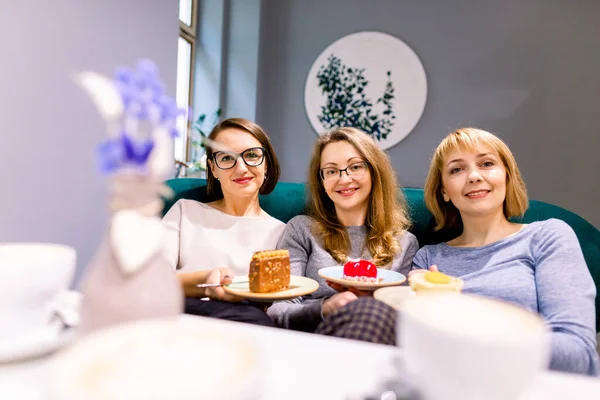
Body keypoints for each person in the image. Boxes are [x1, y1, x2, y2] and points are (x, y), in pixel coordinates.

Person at [410, 127, 598, 375]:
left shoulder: (547, 237)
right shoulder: (428, 259)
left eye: (486, 163)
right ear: (444, 190)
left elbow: (577, 353)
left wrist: (462, 329)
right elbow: (413, 345)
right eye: (457, 169)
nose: (474, 176)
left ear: (507, 176)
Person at [268, 127, 419, 333]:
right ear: (322, 182)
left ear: (374, 171)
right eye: (331, 171)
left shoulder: (404, 243)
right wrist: (325, 308)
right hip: (314, 339)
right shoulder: (301, 230)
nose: (344, 179)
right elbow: (278, 310)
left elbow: (401, 319)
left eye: (355, 167)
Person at [162, 117, 285, 326]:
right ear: (213, 168)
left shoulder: (282, 232)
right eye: (227, 158)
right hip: (176, 314)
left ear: (267, 165)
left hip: (243, 325)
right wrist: (206, 279)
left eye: (252, 155)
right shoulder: (185, 212)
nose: (241, 168)